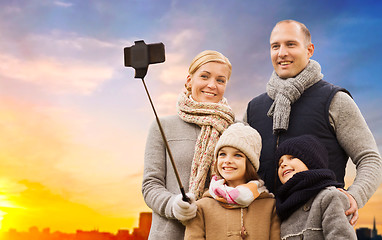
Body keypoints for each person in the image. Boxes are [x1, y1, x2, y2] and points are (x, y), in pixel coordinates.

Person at [245, 19, 382, 225]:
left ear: (309, 50)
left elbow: (370, 159)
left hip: (318, 228)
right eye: (275, 46)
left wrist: (353, 196)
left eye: (291, 44)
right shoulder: (254, 108)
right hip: (262, 228)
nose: (282, 52)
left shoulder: (335, 99)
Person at [142, 50, 235, 239]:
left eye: (220, 80)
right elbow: (151, 185)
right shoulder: (163, 126)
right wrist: (173, 205)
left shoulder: (236, 130)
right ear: (189, 80)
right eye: (204, 76)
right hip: (170, 234)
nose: (212, 85)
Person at [185, 122, 281, 240]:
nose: (227, 160)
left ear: (251, 162)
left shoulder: (270, 206)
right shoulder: (201, 207)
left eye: (237, 155)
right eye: (222, 154)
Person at [275, 135, 357, 239]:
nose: (283, 164)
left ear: (311, 160)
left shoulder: (330, 197)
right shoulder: (283, 208)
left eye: (291, 157)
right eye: (280, 162)